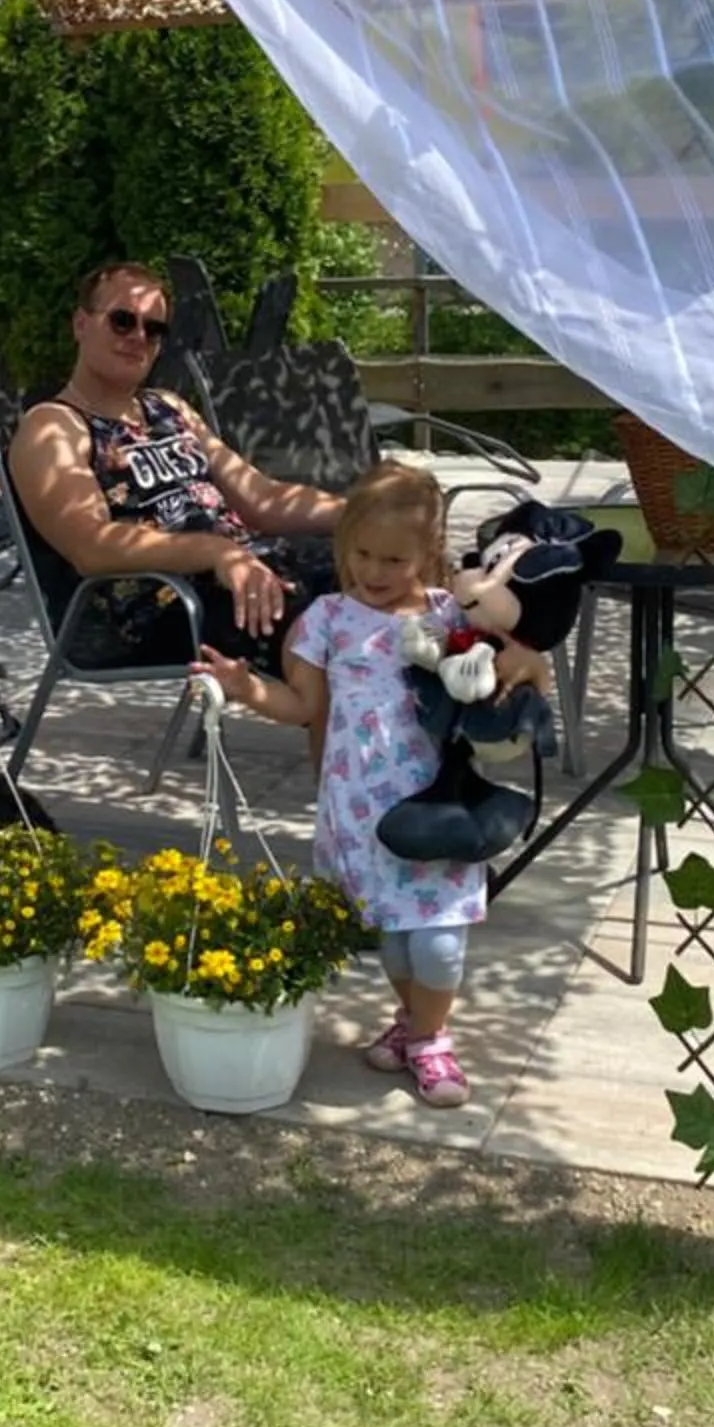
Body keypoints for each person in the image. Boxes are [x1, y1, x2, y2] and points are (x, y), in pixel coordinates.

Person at [197, 460, 543, 1110]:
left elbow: (512, 665)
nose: (377, 573)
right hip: (361, 811)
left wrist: (521, 666)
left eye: (395, 560)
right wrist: (246, 689)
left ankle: (433, 1040)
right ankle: (413, 1026)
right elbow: (302, 707)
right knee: (394, 940)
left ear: (428, 554)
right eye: (364, 555)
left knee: (437, 944)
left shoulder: (448, 615)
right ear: (344, 544)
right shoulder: (327, 619)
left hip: (439, 806)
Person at [6, 260, 341, 670]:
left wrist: (364, 516)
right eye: (123, 321)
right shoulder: (53, 426)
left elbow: (260, 498)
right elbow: (91, 546)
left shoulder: (168, 407)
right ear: (81, 324)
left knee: (386, 578)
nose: (139, 337)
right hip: (163, 604)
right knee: (335, 634)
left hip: (242, 568)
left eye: (155, 328)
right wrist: (217, 552)